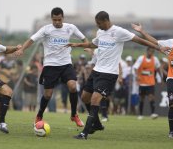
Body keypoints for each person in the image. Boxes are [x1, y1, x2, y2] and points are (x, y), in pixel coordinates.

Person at [67, 11, 167, 140]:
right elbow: (94, 44)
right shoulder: (100, 32)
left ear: (106, 21)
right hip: (97, 70)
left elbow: (139, 41)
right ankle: (97, 124)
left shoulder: (119, 32)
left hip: (109, 74)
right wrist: (78, 45)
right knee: (85, 97)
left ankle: (84, 133)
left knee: (94, 100)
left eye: (99, 23)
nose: (98, 26)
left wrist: (158, 48)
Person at [16, 7, 88, 127]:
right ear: (51, 19)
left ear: (62, 18)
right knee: (48, 94)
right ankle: (39, 115)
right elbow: (31, 39)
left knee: (73, 86)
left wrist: (87, 46)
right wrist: (22, 49)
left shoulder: (70, 28)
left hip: (66, 64)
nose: (57, 22)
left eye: (59, 19)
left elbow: (84, 38)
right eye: (54, 20)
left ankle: (74, 114)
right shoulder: (46, 29)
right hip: (50, 65)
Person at [133, 47, 161, 120]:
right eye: (149, 51)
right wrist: (137, 76)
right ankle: (140, 114)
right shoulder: (141, 58)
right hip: (142, 83)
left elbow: (158, 68)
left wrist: (160, 77)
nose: (150, 53)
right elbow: (135, 68)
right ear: (147, 51)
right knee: (141, 98)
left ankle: (153, 113)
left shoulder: (155, 59)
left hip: (150, 82)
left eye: (152, 51)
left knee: (151, 97)